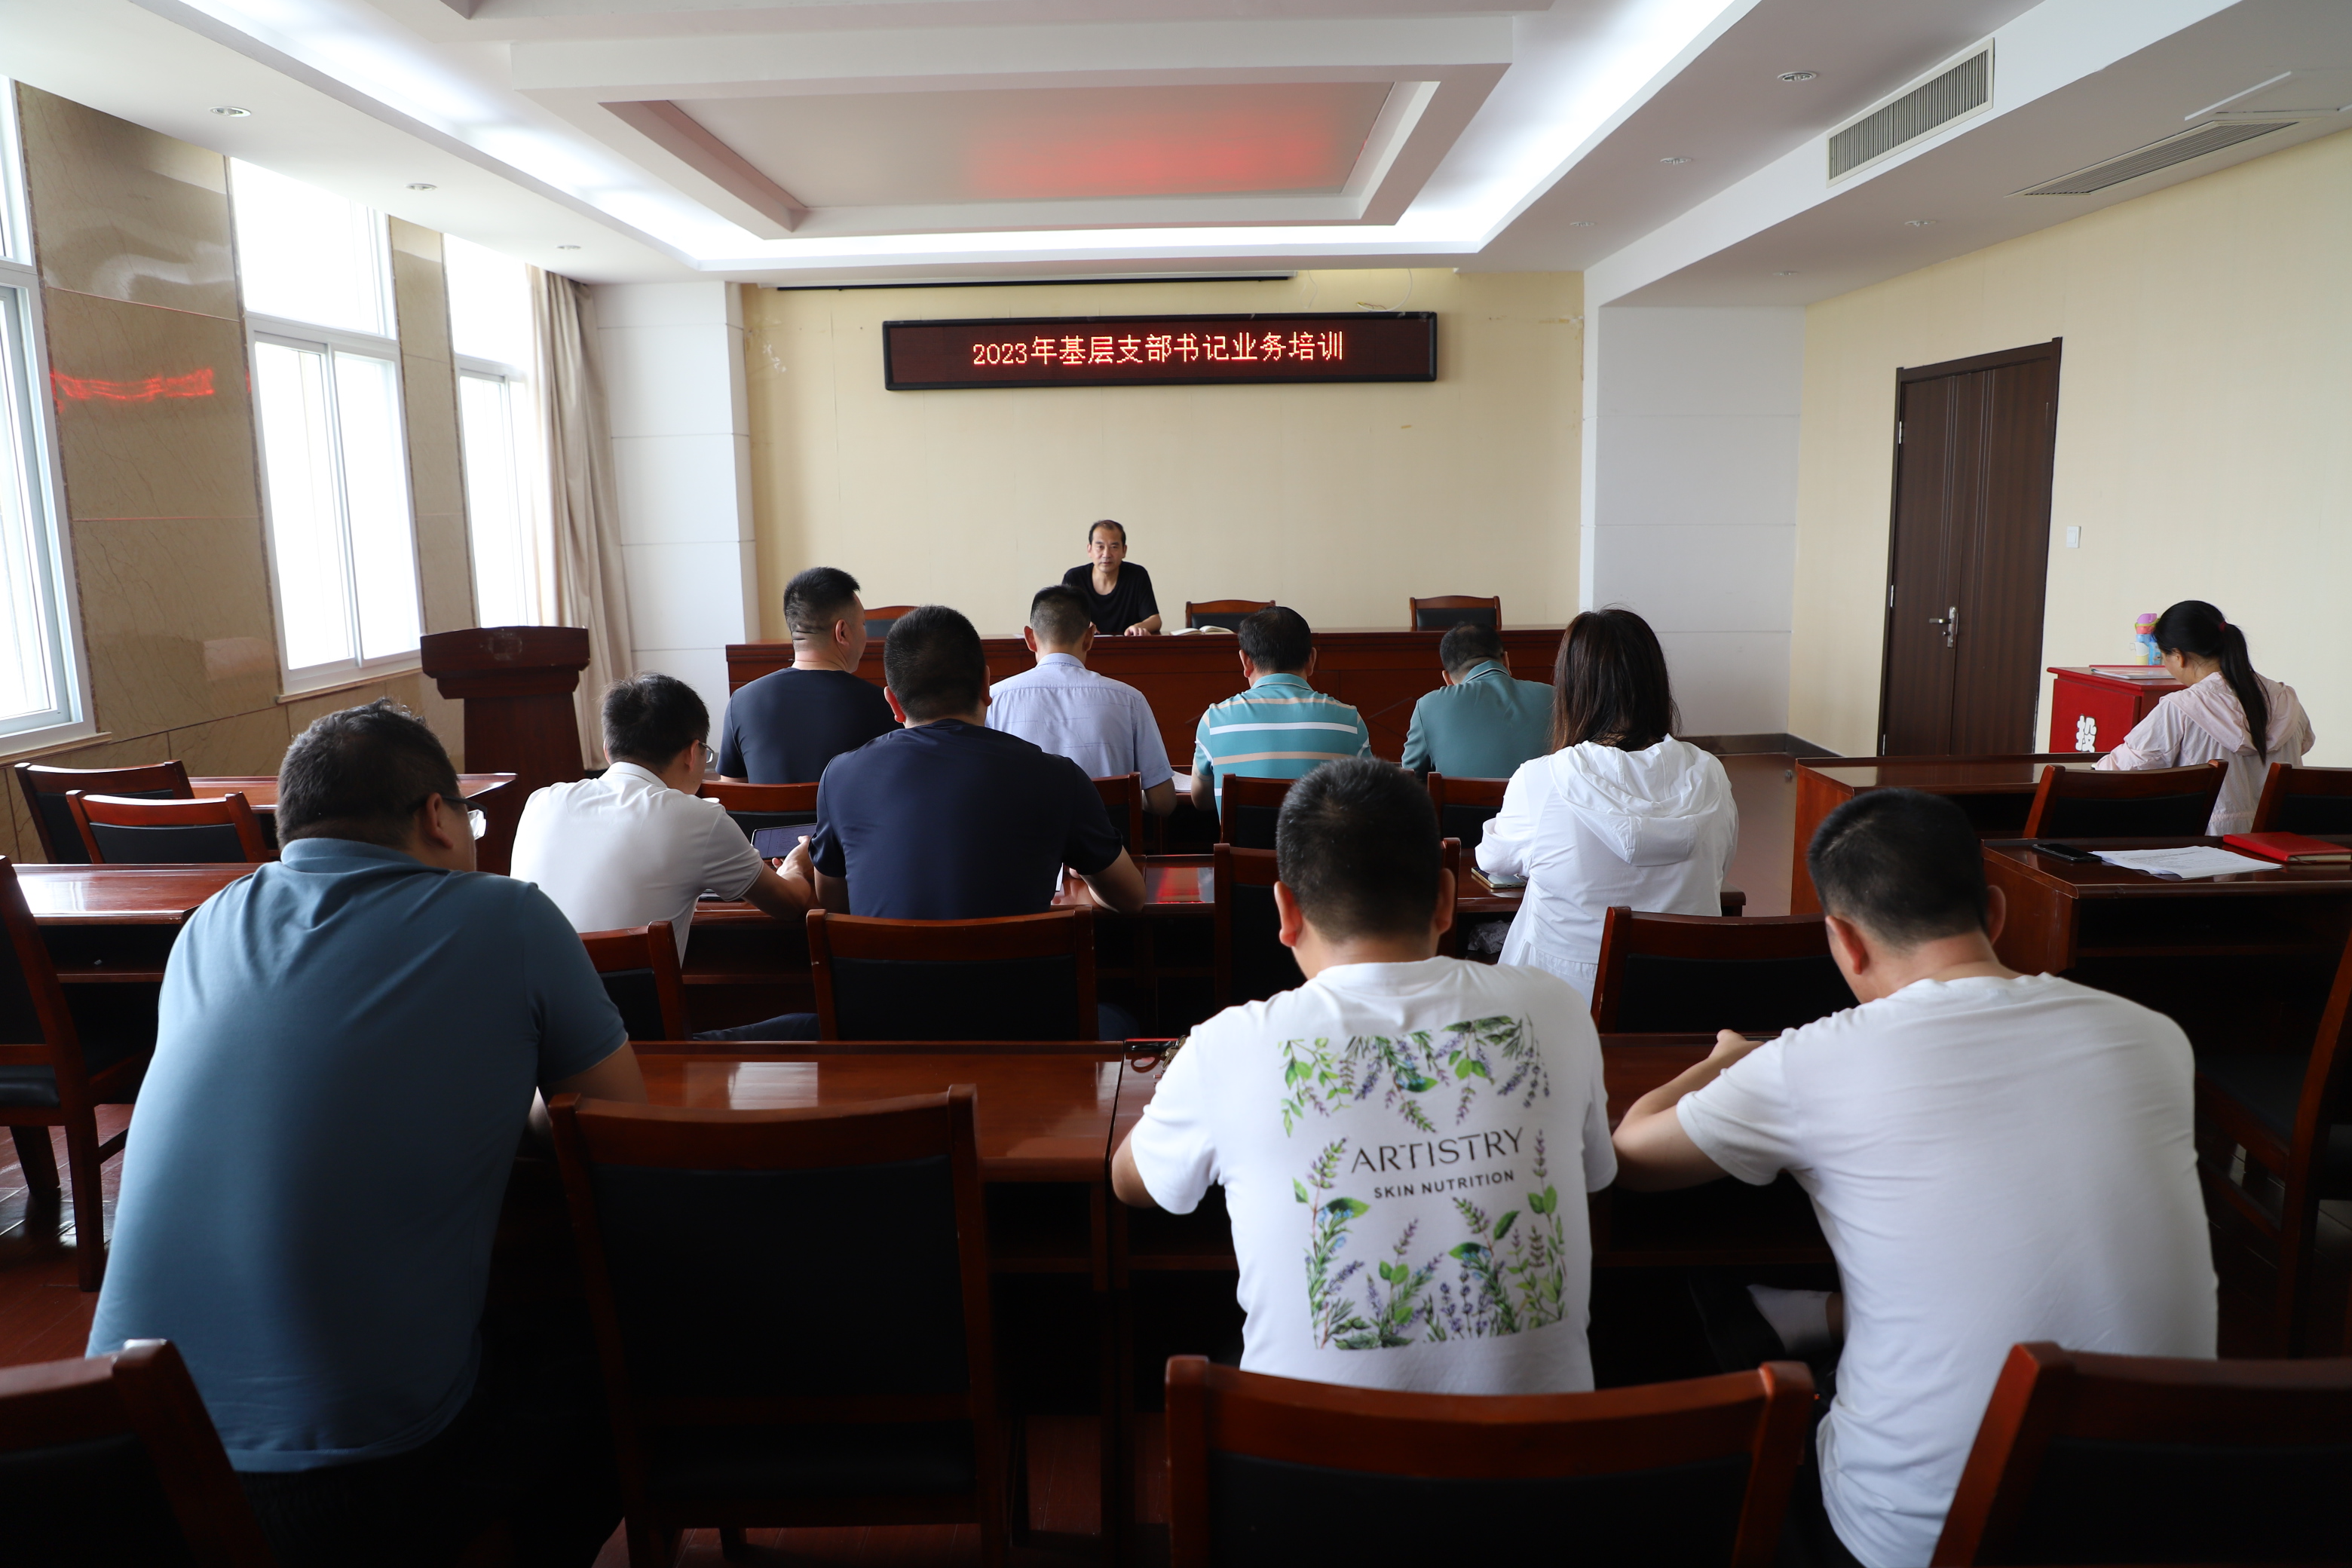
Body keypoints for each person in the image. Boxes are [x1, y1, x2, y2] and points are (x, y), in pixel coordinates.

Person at [87, 700, 647, 1568]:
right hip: (345, 1487)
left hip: (125, 1460)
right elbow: (615, 1121)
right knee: (621, 1351)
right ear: (437, 815)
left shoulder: (209, 923)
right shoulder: (510, 917)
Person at [1612, 789, 2216, 1568]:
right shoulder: (2154, 1036)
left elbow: (1633, 1157)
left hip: (1915, 1536)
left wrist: (1722, 1061)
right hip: (2159, 1520)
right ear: (1995, 912)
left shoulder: (1811, 1061)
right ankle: (1817, 1314)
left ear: (1844, 940)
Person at [1111, 758, 1613, 1391]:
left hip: (1313, 1454)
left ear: (1286, 911)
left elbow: (1131, 1182)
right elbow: (1595, 1177)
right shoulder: (1557, 1011)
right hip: (1547, 1452)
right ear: (1446, 899)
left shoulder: (1227, 1048)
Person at [1475, 608, 1736, 997]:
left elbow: (1493, 860)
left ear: (1571, 688)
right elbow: (1721, 863)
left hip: (1567, 999)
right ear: (1655, 682)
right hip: (1685, 997)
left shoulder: (1542, 779)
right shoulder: (1710, 773)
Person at [512, 672, 816, 960]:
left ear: (607, 750)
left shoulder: (541, 801)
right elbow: (789, 905)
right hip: (627, 1001)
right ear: (692, 753)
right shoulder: (698, 819)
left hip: (525, 996)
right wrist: (795, 865)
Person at [2095, 599, 2314, 835]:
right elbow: (2305, 744)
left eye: (2163, 656)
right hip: (2276, 841)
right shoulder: (2285, 698)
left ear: (2178, 656)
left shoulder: (2181, 708)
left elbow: (2120, 772)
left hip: (2204, 845)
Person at [988, 584, 1177, 818]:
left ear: (1030, 638)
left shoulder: (993, 700)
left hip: (1025, 840)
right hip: (1108, 841)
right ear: (1089, 637)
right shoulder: (1130, 700)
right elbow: (1163, 803)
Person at [716, 565, 898, 782]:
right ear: (842, 632)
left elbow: (733, 792)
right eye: (862, 624)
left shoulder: (742, 702)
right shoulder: (884, 707)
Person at [1190, 606, 1372, 815]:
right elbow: (1368, 799)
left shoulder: (1214, 720)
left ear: (1246, 661)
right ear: (1312, 659)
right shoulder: (1349, 721)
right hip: (1320, 838)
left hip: (1247, 838)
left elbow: (1202, 801)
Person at [1400, 621, 1554, 779]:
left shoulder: (1428, 706)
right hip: (1539, 796)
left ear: (1448, 679)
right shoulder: (1555, 697)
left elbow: (1408, 779)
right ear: (1506, 661)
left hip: (1462, 796)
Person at [1060, 519, 1162, 635]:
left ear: (1124, 550)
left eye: (1114, 547)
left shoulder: (1137, 575)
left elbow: (1155, 620)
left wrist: (1138, 627)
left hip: (1127, 645)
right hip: (1086, 646)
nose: (1106, 554)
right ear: (1089, 550)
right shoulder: (1074, 578)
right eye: (1100, 547)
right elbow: (1062, 620)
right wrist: (1080, 625)